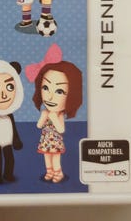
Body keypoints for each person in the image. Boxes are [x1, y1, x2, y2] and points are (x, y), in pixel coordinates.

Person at [25, 44, 83, 183]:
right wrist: (43, 116)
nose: (50, 97)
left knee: (56, 158)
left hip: (55, 142)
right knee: (46, 157)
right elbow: (39, 126)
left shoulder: (59, 115)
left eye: (59, 91)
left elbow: (61, 129)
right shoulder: (46, 111)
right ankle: (49, 172)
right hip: (45, 141)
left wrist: (54, 118)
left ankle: (58, 173)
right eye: (45, 88)